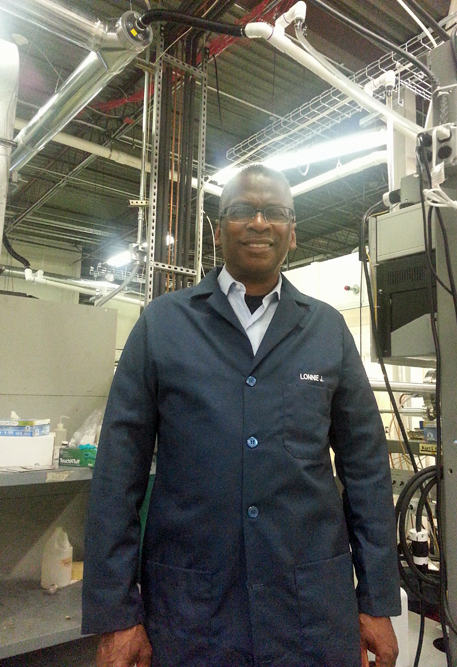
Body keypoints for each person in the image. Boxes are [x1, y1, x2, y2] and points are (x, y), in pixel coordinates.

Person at [82, 164, 401, 667]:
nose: (258, 223)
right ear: (216, 230)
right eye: (241, 211)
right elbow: (116, 476)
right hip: (191, 609)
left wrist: (378, 601)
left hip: (312, 609)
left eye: (274, 213)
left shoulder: (327, 329)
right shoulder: (162, 326)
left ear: (292, 233)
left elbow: (367, 469)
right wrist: (115, 615)